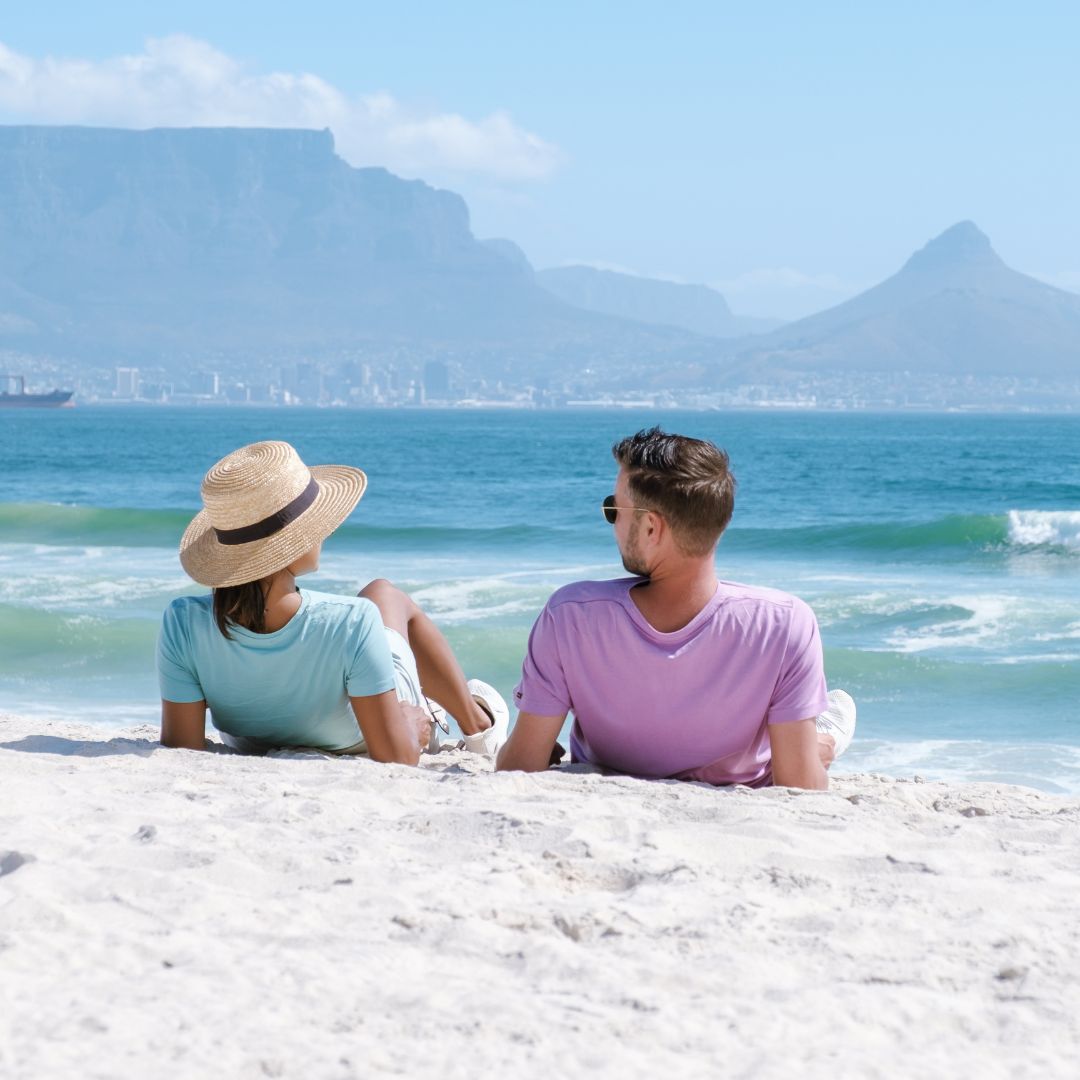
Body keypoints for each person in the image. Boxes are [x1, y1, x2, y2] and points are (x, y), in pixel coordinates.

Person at [497, 427, 855, 790]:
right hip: (747, 781)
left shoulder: (571, 614)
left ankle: (820, 741)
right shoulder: (784, 622)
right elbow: (800, 786)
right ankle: (822, 741)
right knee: (808, 751)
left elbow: (518, 767)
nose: (612, 522)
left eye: (613, 509)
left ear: (651, 528)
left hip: (606, 772)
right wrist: (807, 759)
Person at [157, 440, 508, 764]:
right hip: (366, 735)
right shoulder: (352, 621)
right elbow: (398, 757)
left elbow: (182, 746)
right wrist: (409, 722)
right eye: (314, 523)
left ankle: (468, 716)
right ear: (291, 546)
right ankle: (478, 723)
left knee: (378, 604)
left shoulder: (182, 622)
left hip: (249, 743)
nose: (323, 533)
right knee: (384, 593)